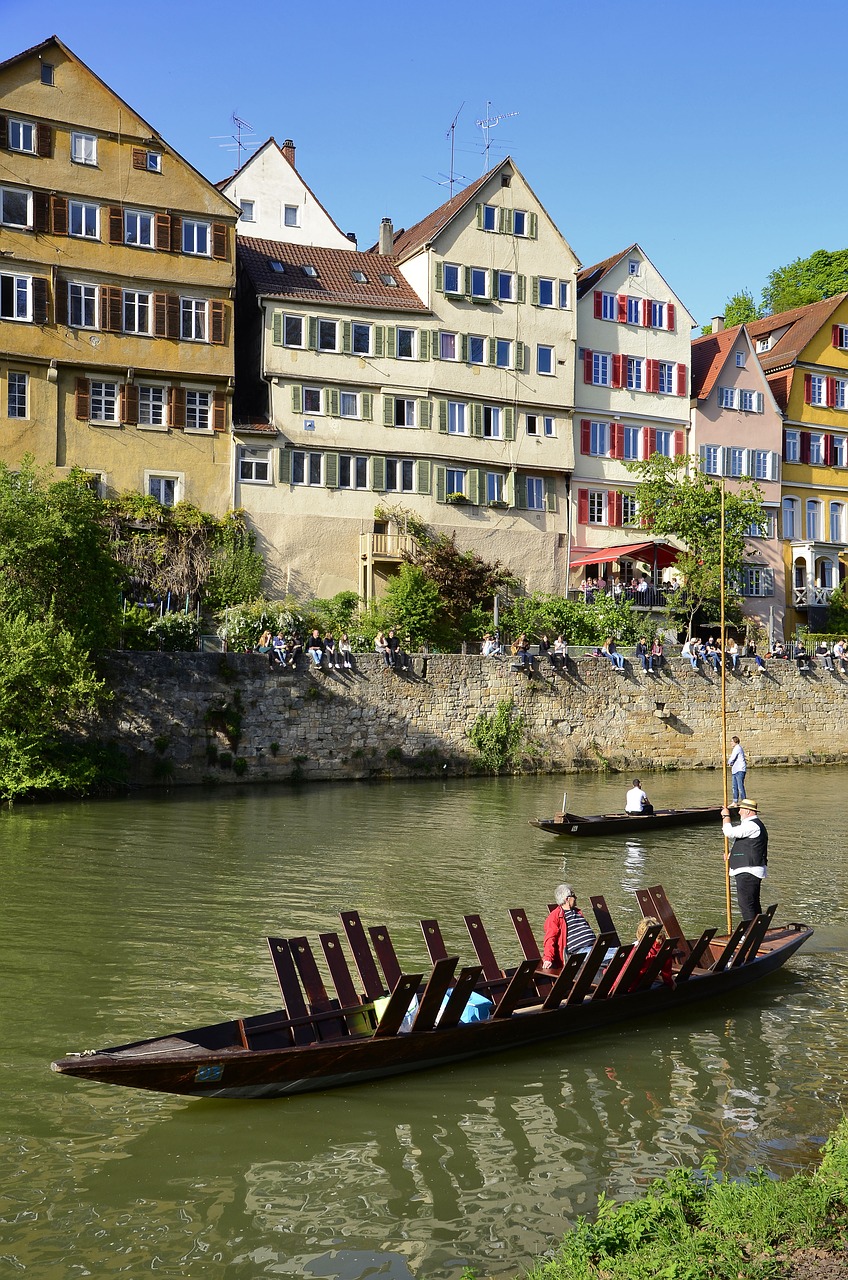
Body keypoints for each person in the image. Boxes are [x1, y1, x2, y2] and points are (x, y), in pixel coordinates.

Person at [721, 798, 768, 923]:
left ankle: (749, 934)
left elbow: (729, 832)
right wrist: (733, 855)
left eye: (741, 809)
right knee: (752, 903)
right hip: (749, 870)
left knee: (746, 904)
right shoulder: (752, 825)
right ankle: (756, 932)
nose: (739, 812)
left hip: (749, 871)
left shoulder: (752, 825)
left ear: (747, 811)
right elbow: (747, 846)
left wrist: (726, 816)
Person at [541, 885, 597, 969]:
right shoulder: (555, 916)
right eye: (573, 896)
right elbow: (550, 938)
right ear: (567, 899)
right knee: (619, 958)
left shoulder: (577, 912)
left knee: (622, 955)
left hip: (594, 948)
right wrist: (548, 958)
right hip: (579, 953)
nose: (576, 897)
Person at [727, 735, 747, 802]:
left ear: (735, 741)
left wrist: (728, 762)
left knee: (740, 787)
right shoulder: (735, 748)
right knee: (734, 787)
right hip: (735, 770)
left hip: (740, 770)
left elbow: (732, 758)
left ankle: (744, 801)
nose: (731, 743)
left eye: (732, 741)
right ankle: (735, 802)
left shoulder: (737, 748)